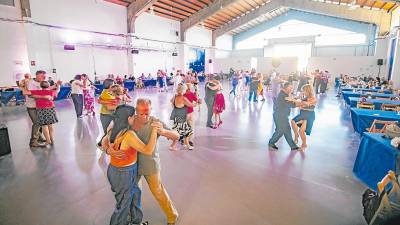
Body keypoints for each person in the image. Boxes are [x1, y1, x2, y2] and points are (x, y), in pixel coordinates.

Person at [102, 105, 162, 225]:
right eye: (133, 115)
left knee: (135, 194)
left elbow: (103, 140)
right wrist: (155, 131)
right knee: (123, 204)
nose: (135, 117)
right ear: (129, 118)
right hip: (124, 173)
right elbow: (147, 150)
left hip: (117, 170)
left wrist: (108, 149)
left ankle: (135, 221)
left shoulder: (113, 128)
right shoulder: (129, 135)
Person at [131, 99, 180, 225]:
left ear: (151, 110)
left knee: (158, 191)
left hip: (150, 164)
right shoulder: (129, 120)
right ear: (136, 111)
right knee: (134, 193)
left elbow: (176, 135)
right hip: (132, 165)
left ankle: (172, 215)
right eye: (141, 114)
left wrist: (163, 131)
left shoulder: (155, 122)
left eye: (147, 113)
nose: (144, 117)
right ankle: (135, 219)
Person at [268, 82, 301, 151]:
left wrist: (296, 98)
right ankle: (271, 143)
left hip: (282, 116)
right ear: (286, 88)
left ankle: (293, 146)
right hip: (280, 116)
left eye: (292, 88)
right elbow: (292, 105)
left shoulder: (284, 94)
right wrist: (303, 104)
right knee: (280, 131)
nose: (292, 89)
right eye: (290, 88)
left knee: (287, 130)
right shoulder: (283, 96)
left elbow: (290, 99)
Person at [29, 81, 60, 146]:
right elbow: (56, 93)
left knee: (44, 125)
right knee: (50, 125)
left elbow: (29, 95)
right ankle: (51, 139)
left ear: (40, 86)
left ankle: (48, 141)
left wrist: (37, 96)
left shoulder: (37, 92)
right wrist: (57, 87)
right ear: (49, 86)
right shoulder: (51, 92)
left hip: (41, 109)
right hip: (50, 109)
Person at [22, 71, 48, 148]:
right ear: (37, 75)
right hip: (32, 106)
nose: (44, 78)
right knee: (37, 122)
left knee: (40, 121)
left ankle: (39, 137)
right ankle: (33, 142)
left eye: (44, 76)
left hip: (39, 106)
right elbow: (30, 95)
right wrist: (44, 97)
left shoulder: (42, 83)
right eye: (42, 76)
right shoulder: (31, 83)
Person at [291, 84, 317, 151]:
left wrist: (299, 101)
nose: (303, 92)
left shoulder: (313, 98)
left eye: (304, 91)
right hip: (302, 114)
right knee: (293, 121)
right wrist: (293, 100)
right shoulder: (305, 97)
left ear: (308, 91)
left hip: (308, 116)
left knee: (301, 131)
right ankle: (296, 136)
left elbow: (307, 104)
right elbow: (299, 104)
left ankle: (303, 144)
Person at [170, 84, 195, 150]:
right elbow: (191, 105)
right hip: (182, 117)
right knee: (186, 132)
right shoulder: (183, 98)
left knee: (181, 132)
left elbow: (171, 102)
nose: (186, 90)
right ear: (183, 90)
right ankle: (186, 145)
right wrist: (198, 103)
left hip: (177, 116)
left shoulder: (175, 96)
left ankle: (183, 144)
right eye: (185, 89)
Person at [97, 79, 118, 147]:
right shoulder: (106, 93)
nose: (115, 85)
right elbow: (110, 107)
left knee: (118, 129)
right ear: (110, 86)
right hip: (105, 115)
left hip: (112, 114)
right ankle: (101, 143)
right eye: (113, 84)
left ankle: (112, 143)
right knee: (107, 132)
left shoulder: (109, 92)